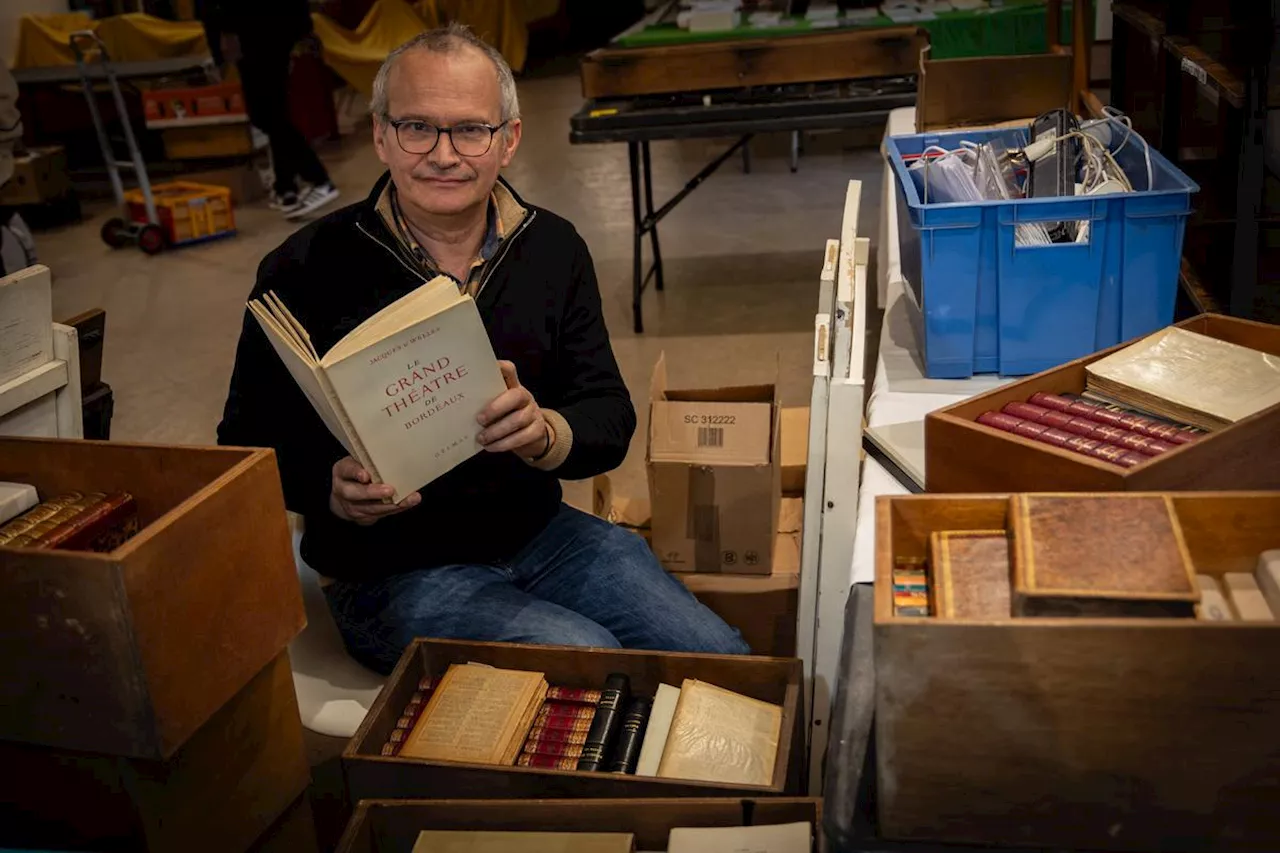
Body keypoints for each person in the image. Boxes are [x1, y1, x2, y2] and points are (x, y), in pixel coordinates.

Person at [217, 25, 748, 674]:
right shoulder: (302, 267)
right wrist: (326, 490)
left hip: (540, 534)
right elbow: (241, 444)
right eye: (417, 127)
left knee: (722, 656)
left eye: (471, 130)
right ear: (381, 135)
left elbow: (607, 413)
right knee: (590, 661)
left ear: (509, 140)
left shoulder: (554, 249)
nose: (444, 154)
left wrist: (547, 431)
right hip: (389, 571)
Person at [200, 0, 339, 218]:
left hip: (257, 31)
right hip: (270, 28)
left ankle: (318, 179)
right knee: (273, 112)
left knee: (267, 114)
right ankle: (286, 189)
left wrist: (218, 50)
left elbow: (210, 8)